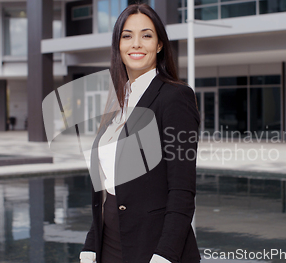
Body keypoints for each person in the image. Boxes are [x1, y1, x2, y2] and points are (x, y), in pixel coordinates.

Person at [80, 3, 201, 263]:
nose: (136, 44)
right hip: (108, 246)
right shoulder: (117, 102)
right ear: (118, 46)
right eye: (127, 36)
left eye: (146, 35)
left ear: (159, 45)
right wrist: (91, 245)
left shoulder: (175, 97)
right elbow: (105, 189)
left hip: (154, 248)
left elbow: (182, 191)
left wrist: (164, 256)